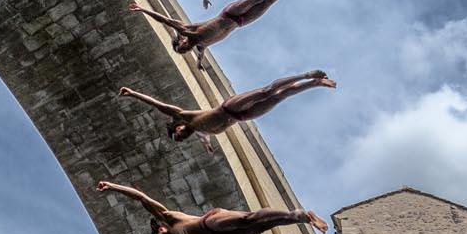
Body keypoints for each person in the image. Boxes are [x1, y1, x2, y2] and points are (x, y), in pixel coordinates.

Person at [129, 0, 321, 59]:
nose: (185, 50)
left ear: (180, 42)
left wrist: (142, 9)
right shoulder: (202, 45)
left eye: (181, 49)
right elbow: (201, 56)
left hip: (230, 13)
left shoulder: (188, 32)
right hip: (241, 22)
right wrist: (199, 64)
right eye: (184, 52)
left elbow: (165, 20)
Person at [117, 70, 336, 146]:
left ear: (177, 127)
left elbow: (159, 105)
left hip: (229, 107)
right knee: (279, 98)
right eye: (182, 138)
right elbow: (205, 137)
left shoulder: (185, 117)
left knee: (266, 92)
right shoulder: (201, 132)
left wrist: (133, 94)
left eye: (179, 134)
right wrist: (207, 145)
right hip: (242, 117)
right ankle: (314, 84)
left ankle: (306, 76)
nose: (183, 135)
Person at [96, 179, 327, 234]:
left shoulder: (169, 218)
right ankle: (297, 218)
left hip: (212, 223)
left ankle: (300, 216)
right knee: (262, 226)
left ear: (160, 228)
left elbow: (141, 197)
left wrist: (113, 187)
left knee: (250, 218)